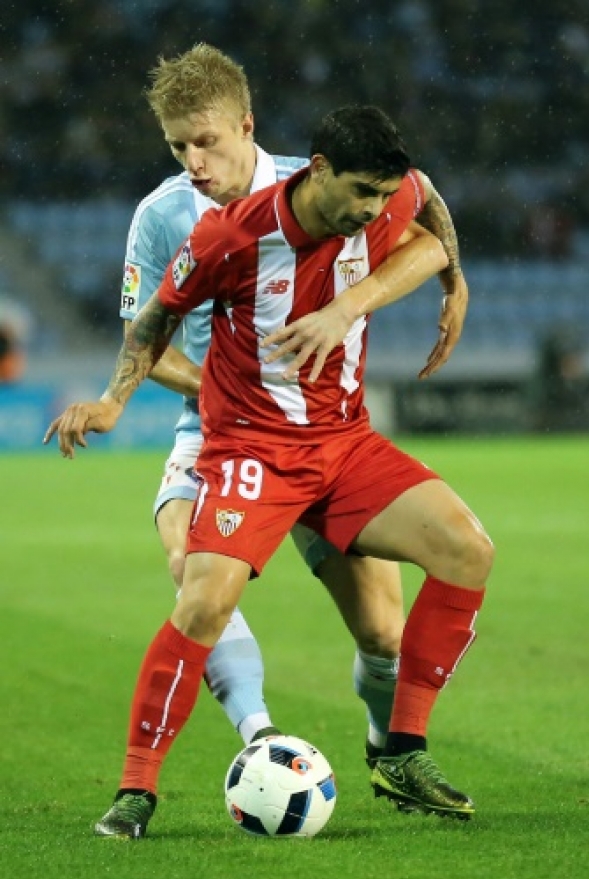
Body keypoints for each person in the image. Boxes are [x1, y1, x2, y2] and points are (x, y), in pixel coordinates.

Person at [45, 104, 493, 838]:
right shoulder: (230, 234)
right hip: (253, 449)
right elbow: (155, 317)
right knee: (202, 599)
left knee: (467, 549)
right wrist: (112, 400)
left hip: (345, 445)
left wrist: (429, 289)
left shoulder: (376, 201)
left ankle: (403, 751)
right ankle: (136, 787)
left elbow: (426, 211)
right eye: (361, 194)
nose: (373, 211)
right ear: (319, 172)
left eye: (381, 197)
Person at [114, 45, 470, 760]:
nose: (194, 161)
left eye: (206, 141)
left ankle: (385, 744)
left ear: (247, 125)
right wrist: (231, 389)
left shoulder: (325, 186)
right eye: (179, 145)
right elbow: (143, 337)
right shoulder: (163, 215)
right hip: (215, 432)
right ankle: (261, 738)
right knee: (196, 573)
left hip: (331, 438)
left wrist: (454, 279)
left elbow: (419, 193)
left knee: (381, 632)